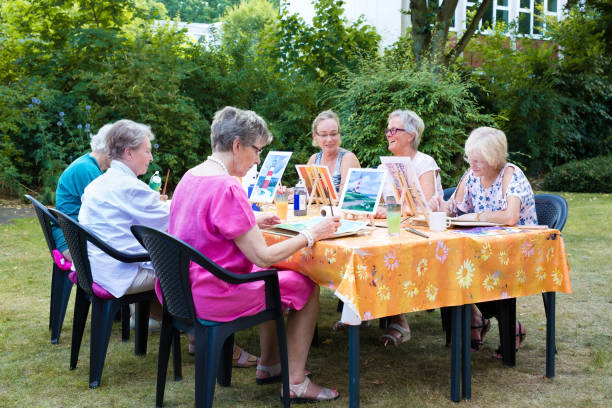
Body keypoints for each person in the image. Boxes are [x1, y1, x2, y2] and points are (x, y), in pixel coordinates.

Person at [168, 106, 341, 403]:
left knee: (276, 278)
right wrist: (312, 233)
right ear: (237, 146)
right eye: (257, 150)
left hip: (181, 289)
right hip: (215, 294)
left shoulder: (192, 176)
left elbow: (204, 224)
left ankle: (271, 364)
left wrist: (252, 221)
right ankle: (295, 381)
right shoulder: (227, 186)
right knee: (304, 283)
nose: (258, 159)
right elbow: (261, 257)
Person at [431, 126, 536, 358]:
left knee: (464, 268)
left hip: (517, 252)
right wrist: (439, 206)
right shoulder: (472, 175)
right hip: (483, 249)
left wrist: (477, 216)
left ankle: (503, 327)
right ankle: (475, 320)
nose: (473, 165)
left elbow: (510, 216)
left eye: (479, 161)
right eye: (470, 158)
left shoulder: (510, 174)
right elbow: (454, 208)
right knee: (445, 262)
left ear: (495, 158)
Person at [78, 119, 169, 323]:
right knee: (188, 268)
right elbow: (172, 219)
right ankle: (198, 335)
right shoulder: (128, 186)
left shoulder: (100, 183)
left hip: (93, 266)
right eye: (146, 151)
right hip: (116, 272)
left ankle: (169, 322)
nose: (151, 157)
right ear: (129, 152)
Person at [376, 109, 444, 346]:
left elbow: (423, 207)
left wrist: (388, 210)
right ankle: (357, 313)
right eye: (388, 129)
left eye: (395, 130)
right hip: (393, 231)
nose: (388, 134)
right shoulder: (385, 166)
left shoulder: (424, 163)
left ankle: (400, 321)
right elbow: (375, 201)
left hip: (423, 236)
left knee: (388, 256)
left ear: (411, 135)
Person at [51, 123, 113, 265]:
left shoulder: (87, 165)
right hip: (73, 244)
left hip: (74, 237)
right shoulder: (87, 170)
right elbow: (108, 212)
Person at [307, 110, 360, 193]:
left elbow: (346, 196)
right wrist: (286, 191)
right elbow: (303, 188)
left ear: (339, 134)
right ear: (315, 136)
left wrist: (312, 197)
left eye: (333, 134)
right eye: (324, 135)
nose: (329, 139)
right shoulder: (314, 159)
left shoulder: (347, 158)